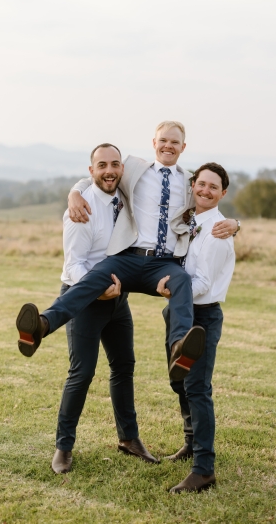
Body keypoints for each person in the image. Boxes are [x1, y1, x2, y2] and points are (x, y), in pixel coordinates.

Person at [16, 121, 238, 382]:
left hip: (163, 264)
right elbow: (97, 176)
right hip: (129, 258)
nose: (168, 146)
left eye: (175, 142)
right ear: (154, 143)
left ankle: (179, 349)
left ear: (183, 147)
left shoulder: (190, 182)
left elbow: (207, 203)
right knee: (96, 276)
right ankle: (42, 325)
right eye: (163, 140)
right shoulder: (134, 169)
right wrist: (74, 193)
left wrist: (236, 224)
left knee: (181, 280)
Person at [47, 143, 157, 474]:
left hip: (118, 299)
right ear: (91, 170)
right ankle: (63, 447)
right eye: (102, 165)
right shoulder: (81, 210)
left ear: (121, 168)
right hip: (83, 298)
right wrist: (99, 291)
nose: (109, 171)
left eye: (115, 164)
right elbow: (74, 265)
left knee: (124, 366)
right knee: (81, 373)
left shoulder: (124, 196)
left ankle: (129, 439)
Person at [156, 162, 235, 493]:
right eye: (201, 184)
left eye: (213, 187)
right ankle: (190, 442)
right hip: (178, 314)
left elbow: (203, 282)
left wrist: (175, 289)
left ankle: (204, 469)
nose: (205, 190)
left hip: (202, 317)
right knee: (179, 382)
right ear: (193, 186)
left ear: (222, 193)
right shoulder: (188, 220)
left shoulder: (217, 233)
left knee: (198, 389)